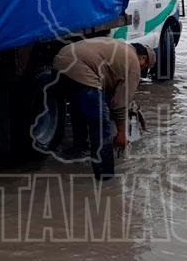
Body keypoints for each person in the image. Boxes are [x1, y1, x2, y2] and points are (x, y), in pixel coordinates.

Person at [53, 38, 156, 179]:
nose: (141, 71)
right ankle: (106, 178)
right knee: (101, 125)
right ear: (143, 58)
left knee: (79, 107)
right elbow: (120, 104)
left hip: (58, 63)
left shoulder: (120, 48)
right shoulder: (134, 64)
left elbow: (109, 92)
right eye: (144, 67)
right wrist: (121, 134)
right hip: (80, 68)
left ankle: (78, 150)